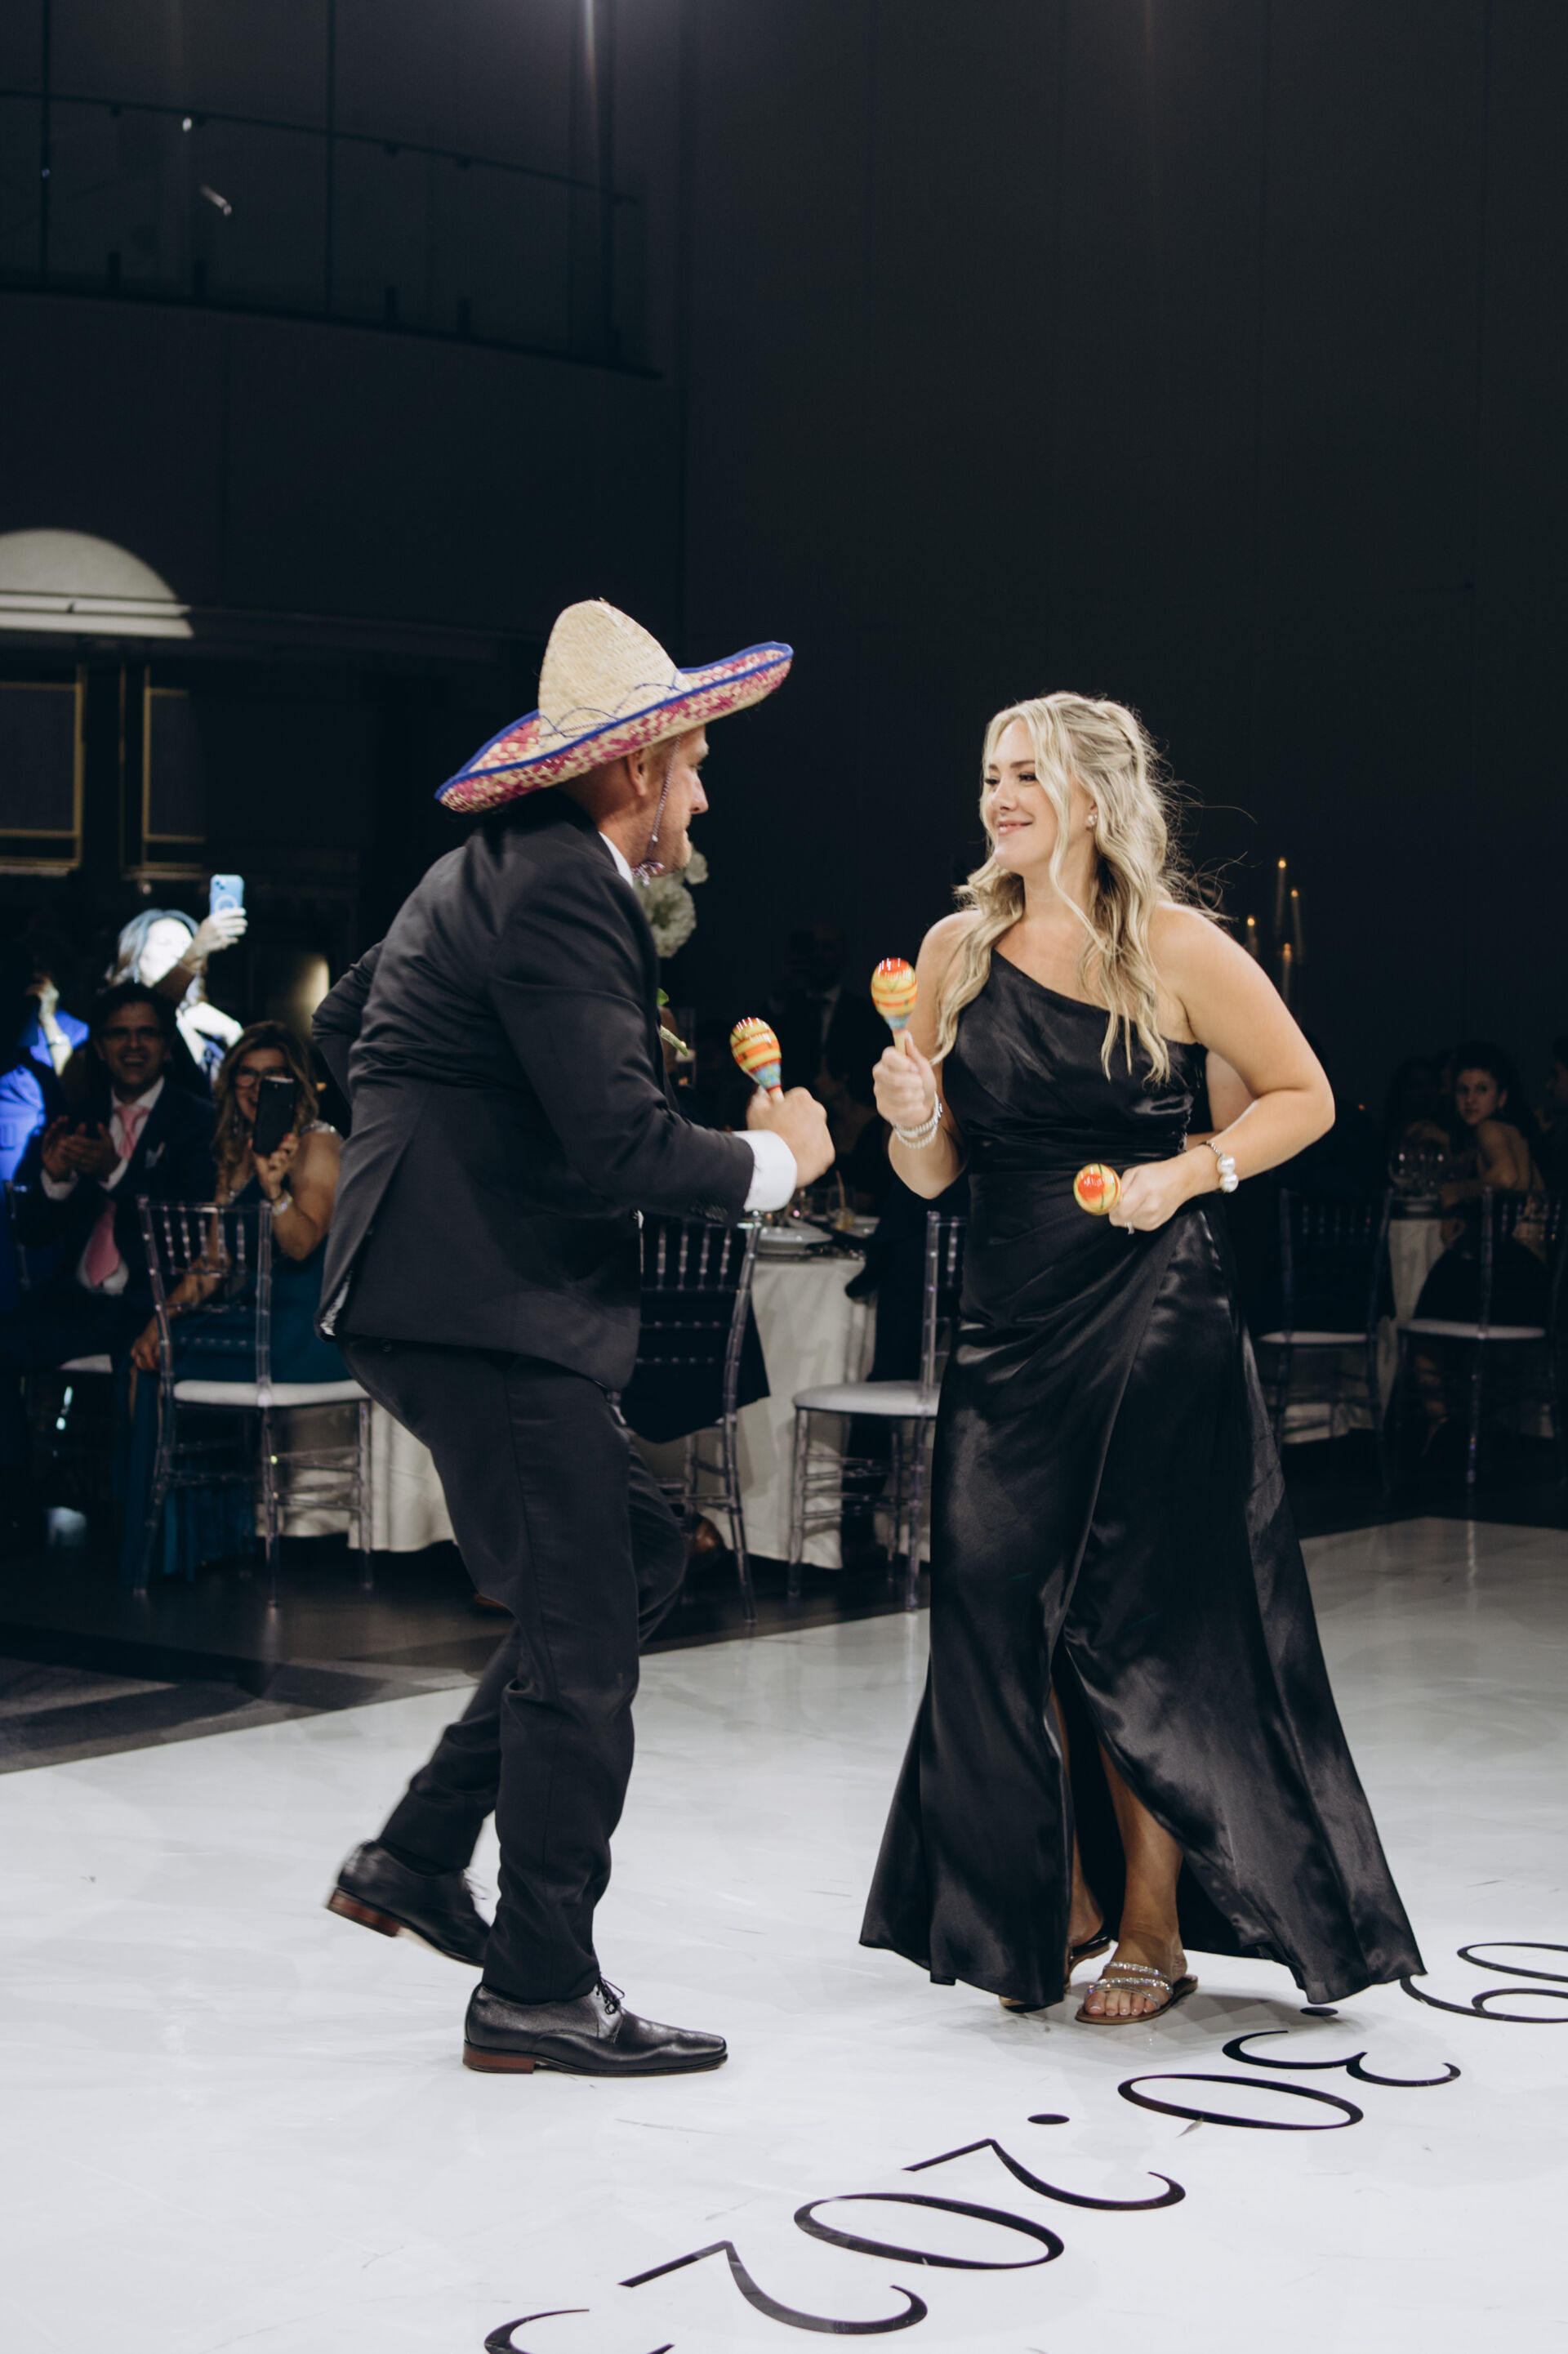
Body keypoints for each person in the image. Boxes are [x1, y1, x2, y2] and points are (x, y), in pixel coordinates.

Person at [314, 599, 831, 2078]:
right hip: (481, 1309)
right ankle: (539, 1984)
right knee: (587, 1634)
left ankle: (417, 1853)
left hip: (444, 1296)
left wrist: (480, 1130)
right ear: (637, 765)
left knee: (642, 1553)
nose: (704, 796)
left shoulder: (484, 869)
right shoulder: (562, 886)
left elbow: (355, 1031)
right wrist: (786, 1157)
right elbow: (623, 1146)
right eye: (696, 764)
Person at [859, 691, 1422, 2024]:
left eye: (1028, 774)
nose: (1000, 796)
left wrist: (1192, 1170)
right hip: (1007, 1316)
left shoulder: (1176, 945)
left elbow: (1306, 1097)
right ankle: (1055, 1886)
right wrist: (909, 1114)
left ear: (1094, 796)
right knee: (993, 1613)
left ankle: (1153, 1927)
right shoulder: (953, 949)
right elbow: (933, 1175)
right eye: (990, 773)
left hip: (1151, 1307)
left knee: (1137, 1621)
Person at [121, 1023, 346, 1584]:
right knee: (150, 1356)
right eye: (246, 1073)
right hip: (253, 1320)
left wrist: (275, 1191)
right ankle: (185, 1546)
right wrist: (161, 1320)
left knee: (163, 1368)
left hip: (304, 1329)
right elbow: (212, 1266)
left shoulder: (317, 1142)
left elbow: (303, 1242)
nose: (256, 1086)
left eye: (272, 1075)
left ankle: (180, 1547)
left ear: (294, 1083)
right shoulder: (236, 1154)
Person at [0, 983, 215, 1516]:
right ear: (99, 1046)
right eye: (119, 1034)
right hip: (76, 1303)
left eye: (147, 1034)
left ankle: (132, 1515)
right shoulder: (77, 1116)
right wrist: (54, 1179)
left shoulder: (198, 1122)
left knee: (140, 1378)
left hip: (153, 1306)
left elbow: (189, 1229)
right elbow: (32, 1232)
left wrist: (115, 1172)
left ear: (167, 1045)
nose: (133, 1045)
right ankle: (16, 1501)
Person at [1412, 1039, 1548, 1337]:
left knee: (1430, 1307)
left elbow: (1507, 1177)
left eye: (1482, 1089)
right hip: (1535, 1274)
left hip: (1509, 1274)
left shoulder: (1489, 1129)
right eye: (1463, 1090)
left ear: (1502, 1097)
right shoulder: (1511, 1132)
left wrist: (1456, 1192)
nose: (1470, 1100)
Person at [109, 904, 247, 1089]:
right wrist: (197, 950)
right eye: (165, 943)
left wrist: (233, 1034)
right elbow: (159, 1005)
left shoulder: (203, 1023)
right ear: (137, 953)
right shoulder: (115, 1015)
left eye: (186, 946)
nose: (178, 953)